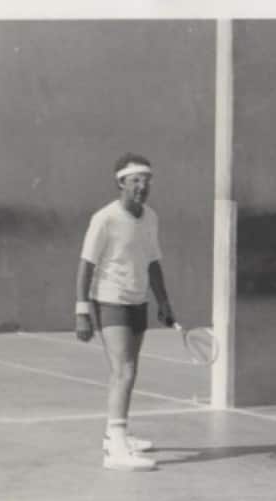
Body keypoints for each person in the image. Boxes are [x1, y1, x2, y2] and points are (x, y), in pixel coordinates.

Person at [75, 153, 176, 471]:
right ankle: (116, 452)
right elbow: (86, 266)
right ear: (121, 183)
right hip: (110, 300)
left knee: (126, 372)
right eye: (135, 181)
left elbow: (153, 262)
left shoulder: (151, 217)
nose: (142, 187)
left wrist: (163, 301)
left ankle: (114, 434)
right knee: (125, 370)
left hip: (138, 301)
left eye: (147, 181)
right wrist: (82, 311)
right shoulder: (104, 219)